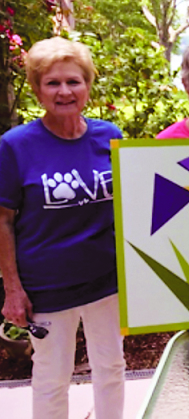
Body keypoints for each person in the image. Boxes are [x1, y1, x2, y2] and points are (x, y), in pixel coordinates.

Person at [0, 37, 125, 419]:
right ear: (38, 89)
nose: (65, 91)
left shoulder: (110, 137)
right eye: (53, 83)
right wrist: (13, 290)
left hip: (107, 282)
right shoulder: (15, 145)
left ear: (87, 85)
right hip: (48, 288)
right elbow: (3, 220)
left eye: (74, 81)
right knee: (52, 379)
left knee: (112, 369)